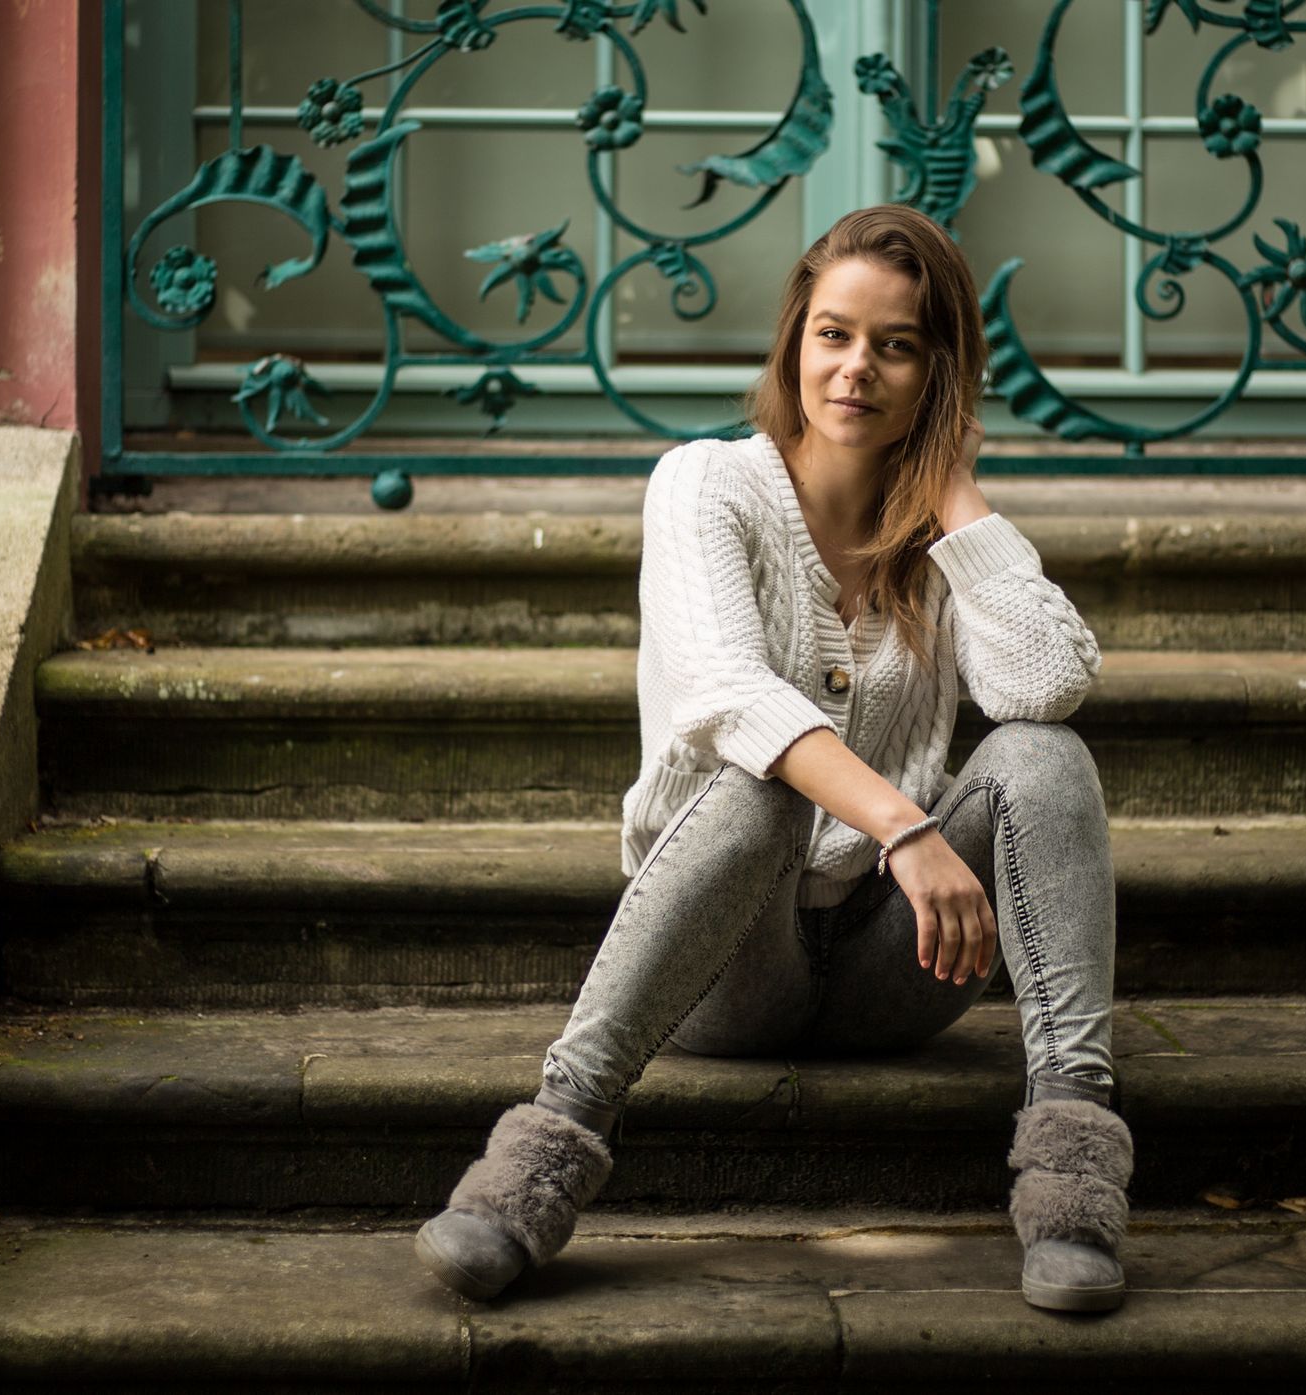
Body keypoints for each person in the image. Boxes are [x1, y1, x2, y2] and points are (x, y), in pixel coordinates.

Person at [414, 204, 1130, 1314]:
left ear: (940, 375)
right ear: (796, 339)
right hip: (724, 966)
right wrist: (906, 826)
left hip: (897, 970)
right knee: (760, 784)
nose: (856, 368)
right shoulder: (706, 484)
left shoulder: (943, 544)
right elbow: (729, 694)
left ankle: (1074, 1180)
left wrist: (952, 493)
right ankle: (532, 1169)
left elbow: (1044, 686)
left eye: (898, 346)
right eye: (833, 334)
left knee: (1045, 757)